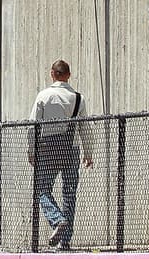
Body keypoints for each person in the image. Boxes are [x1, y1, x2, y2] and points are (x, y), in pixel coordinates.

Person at [29, 60, 94, 250]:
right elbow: (85, 127)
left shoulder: (43, 96)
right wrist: (88, 152)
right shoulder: (78, 98)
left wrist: (31, 150)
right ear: (69, 75)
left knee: (42, 188)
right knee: (69, 194)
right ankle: (65, 242)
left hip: (48, 147)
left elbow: (33, 125)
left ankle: (57, 220)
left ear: (52, 74)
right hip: (71, 149)